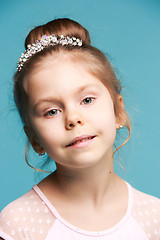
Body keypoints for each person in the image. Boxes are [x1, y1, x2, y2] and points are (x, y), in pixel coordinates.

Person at [0, 18, 159, 240]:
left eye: (86, 100)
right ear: (34, 138)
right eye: (52, 111)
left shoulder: (153, 218)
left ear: (118, 112)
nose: (73, 119)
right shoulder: (18, 224)